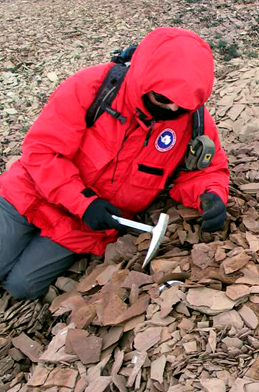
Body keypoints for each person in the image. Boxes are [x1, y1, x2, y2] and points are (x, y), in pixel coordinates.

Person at [0, 27, 229, 301]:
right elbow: (42, 153)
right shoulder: (93, 87)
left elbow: (206, 170)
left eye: (181, 105)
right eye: (163, 99)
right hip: (29, 194)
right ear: (144, 78)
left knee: (21, 286)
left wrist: (212, 194)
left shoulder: (194, 121)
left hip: (82, 228)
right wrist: (84, 202)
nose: (171, 110)